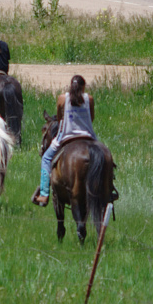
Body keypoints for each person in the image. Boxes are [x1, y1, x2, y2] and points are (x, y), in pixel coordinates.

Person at [33, 75, 95, 207]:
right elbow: (92, 118)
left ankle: (44, 194)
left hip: (66, 135)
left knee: (46, 158)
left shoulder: (62, 98)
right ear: (83, 87)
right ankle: (108, 188)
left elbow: (60, 119)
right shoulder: (89, 99)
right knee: (104, 156)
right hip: (88, 135)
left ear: (70, 86)